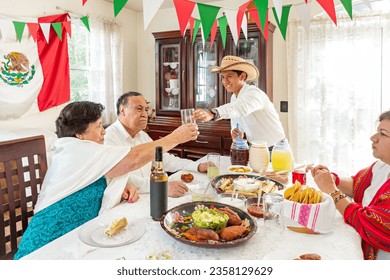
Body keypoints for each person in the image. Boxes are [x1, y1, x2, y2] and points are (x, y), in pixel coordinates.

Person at [14, 101, 198, 259]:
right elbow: (133, 159)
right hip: (50, 243)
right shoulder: (76, 149)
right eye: (99, 126)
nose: (104, 131)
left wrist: (123, 184)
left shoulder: (80, 150)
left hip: (80, 236)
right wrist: (175, 138)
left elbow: (105, 174)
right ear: (79, 134)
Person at [307, 110, 390, 260]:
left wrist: (332, 190)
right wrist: (332, 180)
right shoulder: (383, 165)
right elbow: (357, 185)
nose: (373, 138)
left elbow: (367, 224)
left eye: (383, 134)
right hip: (355, 238)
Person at [104, 92, 207, 197]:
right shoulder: (108, 137)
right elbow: (121, 178)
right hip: (127, 200)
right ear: (123, 110)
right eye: (139, 109)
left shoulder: (142, 135)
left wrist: (197, 166)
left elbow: (165, 159)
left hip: (149, 195)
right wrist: (161, 187)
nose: (145, 114)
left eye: (146, 110)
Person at [193, 55, 285, 150]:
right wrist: (236, 131)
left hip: (275, 148)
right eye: (223, 77)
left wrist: (213, 113)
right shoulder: (234, 97)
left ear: (242, 76)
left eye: (229, 76)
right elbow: (236, 119)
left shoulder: (254, 93)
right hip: (255, 147)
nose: (225, 81)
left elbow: (240, 108)